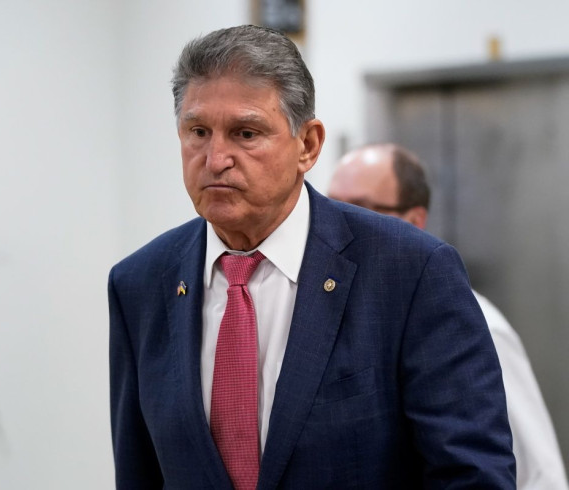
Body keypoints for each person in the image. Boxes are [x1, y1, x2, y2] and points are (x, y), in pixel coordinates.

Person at [109, 25, 515, 489]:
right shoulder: (140, 284)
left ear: (308, 145)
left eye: (245, 133)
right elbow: (138, 473)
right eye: (198, 131)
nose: (215, 157)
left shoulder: (409, 271)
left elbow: (472, 475)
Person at [328, 142, 569, 490]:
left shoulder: (471, 323)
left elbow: (541, 477)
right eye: (332, 208)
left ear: (414, 222)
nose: (342, 226)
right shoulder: (328, 311)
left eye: (362, 209)